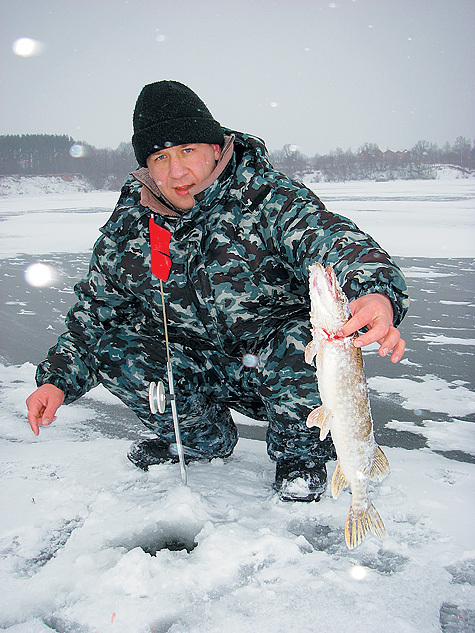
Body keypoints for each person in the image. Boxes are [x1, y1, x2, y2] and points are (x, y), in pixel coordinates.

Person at [26, 80, 409, 502]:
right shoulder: (128, 230)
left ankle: (301, 455)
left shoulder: (266, 197)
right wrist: (56, 381)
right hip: (199, 371)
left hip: (277, 371)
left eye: (187, 151)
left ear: (215, 146)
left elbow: (334, 240)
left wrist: (374, 292)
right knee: (116, 347)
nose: (176, 172)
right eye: (160, 157)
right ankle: (199, 440)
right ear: (146, 167)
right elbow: (98, 313)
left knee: (309, 336)